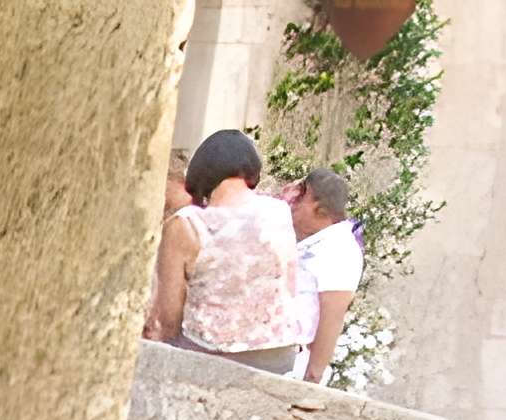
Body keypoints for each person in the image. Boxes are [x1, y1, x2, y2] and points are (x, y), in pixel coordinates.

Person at [146, 129, 305, 374]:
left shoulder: (187, 224)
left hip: (213, 355)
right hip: (280, 353)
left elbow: (167, 318)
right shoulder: (279, 212)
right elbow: (290, 284)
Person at [289, 167, 364, 386]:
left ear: (320, 210)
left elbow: (332, 317)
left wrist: (312, 379)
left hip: (296, 366)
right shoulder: (314, 240)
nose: (293, 204)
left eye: (302, 197)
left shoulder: (340, 250)